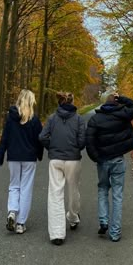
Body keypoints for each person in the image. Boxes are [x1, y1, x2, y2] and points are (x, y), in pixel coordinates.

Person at [85, 92, 133, 242]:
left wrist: (96, 158)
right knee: (117, 195)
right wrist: (121, 97)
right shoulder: (122, 115)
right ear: (115, 102)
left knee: (103, 188)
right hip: (118, 160)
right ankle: (115, 233)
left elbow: (89, 141)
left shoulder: (95, 119)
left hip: (103, 161)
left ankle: (104, 221)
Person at [39, 92, 86, 245]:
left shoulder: (52, 118)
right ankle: (73, 217)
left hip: (55, 160)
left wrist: (52, 148)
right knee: (73, 190)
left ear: (59, 102)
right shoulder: (78, 119)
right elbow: (82, 141)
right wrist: (75, 147)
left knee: (55, 194)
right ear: (72, 103)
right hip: (73, 159)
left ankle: (57, 233)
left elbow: (42, 137)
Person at [0, 89, 43, 234]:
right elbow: (39, 140)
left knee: (14, 185)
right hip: (29, 158)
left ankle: (12, 212)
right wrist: (39, 154)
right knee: (26, 188)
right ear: (31, 101)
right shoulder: (34, 120)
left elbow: (5, 138)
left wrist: (0, 156)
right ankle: (21, 223)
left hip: (13, 156)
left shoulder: (11, 118)